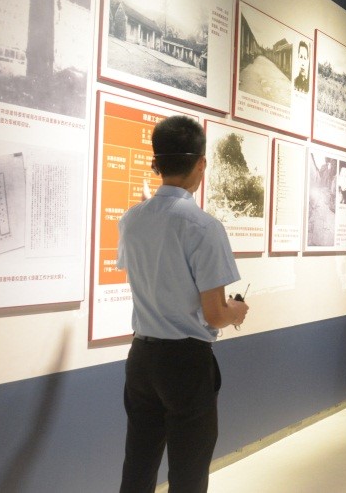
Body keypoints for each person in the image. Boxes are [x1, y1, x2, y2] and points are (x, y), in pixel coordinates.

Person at [117, 115, 249, 493]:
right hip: (185, 361)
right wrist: (237, 312)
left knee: (138, 464)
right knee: (188, 473)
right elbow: (215, 314)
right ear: (201, 164)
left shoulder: (131, 219)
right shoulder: (204, 227)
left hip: (141, 357)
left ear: (157, 162)